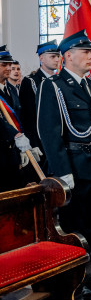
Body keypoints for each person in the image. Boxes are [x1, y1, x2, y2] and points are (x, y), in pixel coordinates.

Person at [37, 30, 91, 300]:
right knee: (75, 228)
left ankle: (90, 274)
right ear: (68, 56)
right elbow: (48, 131)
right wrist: (63, 171)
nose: (90, 57)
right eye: (85, 52)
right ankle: (76, 283)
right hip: (74, 167)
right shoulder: (54, 87)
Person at [19, 40, 60, 178]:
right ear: (41, 58)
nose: (57, 59)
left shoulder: (60, 80)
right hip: (41, 140)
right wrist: (33, 143)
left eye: (58, 56)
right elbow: (28, 116)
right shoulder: (31, 81)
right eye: (52, 56)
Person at [0, 45, 35, 192]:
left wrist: (25, 143)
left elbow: (20, 118)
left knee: (15, 190)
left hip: (13, 152)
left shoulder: (12, 89)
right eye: (4, 65)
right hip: (0, 151)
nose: (8, 68)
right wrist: (15, 135)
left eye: (10, 64)